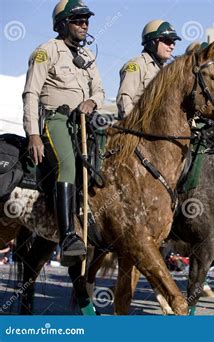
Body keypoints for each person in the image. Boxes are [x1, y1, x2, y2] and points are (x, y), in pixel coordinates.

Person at [22, 0, 104, 266]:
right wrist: (33, 133)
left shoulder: (89, 57)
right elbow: (31, 92)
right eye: (78, 20)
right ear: (62, 24)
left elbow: (100, 91)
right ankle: (68, 236)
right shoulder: (47, 51)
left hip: (84, 121)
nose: (84, 24)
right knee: (67, 165)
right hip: (55, 119)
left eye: (86, 20)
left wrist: (93, 102)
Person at [116, 19, 181, 119]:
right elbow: (124, 99)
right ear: (153, 42)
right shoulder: (136, 65)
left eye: (173, 42)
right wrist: (134, 125)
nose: (172, 46)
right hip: (137, 129)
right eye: (168, 41)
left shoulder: (167, 71)